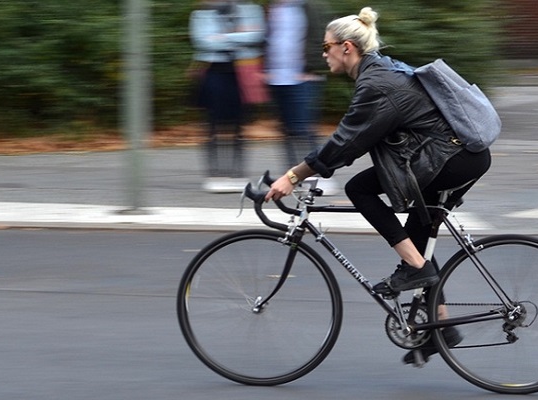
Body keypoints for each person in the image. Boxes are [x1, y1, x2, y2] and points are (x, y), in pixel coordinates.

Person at [262, 6, 491, 364]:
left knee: (360, 189)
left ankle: (417, 269)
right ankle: (442, 328)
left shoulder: (376, 85)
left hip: (449, 159)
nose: (323, 54)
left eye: (326, 47)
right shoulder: (380, 72)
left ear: (347, 47)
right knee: (417, 236)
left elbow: (346, 142)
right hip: (454, 156)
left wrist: (293, 176)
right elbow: (357, 139)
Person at [189, 0, 265, 193]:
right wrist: (239, 37)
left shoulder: (251, 10)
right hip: (213, 72)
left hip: (242, 71)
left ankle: (237, 173)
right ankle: (215, 173)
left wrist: (221, 37)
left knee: (239, 125)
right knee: (212, 126)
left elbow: (257, 36)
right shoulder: (201, 14)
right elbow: (202, 41)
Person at [264, 0, 330, 176]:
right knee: (286, 130)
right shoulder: (272, 8)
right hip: (277, 77)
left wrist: (312, 68)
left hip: (303, 77)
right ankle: (293, 175)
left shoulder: (309, 6)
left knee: (305, 129)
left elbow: (322, 37)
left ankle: (319, 173)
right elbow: (268, 39)